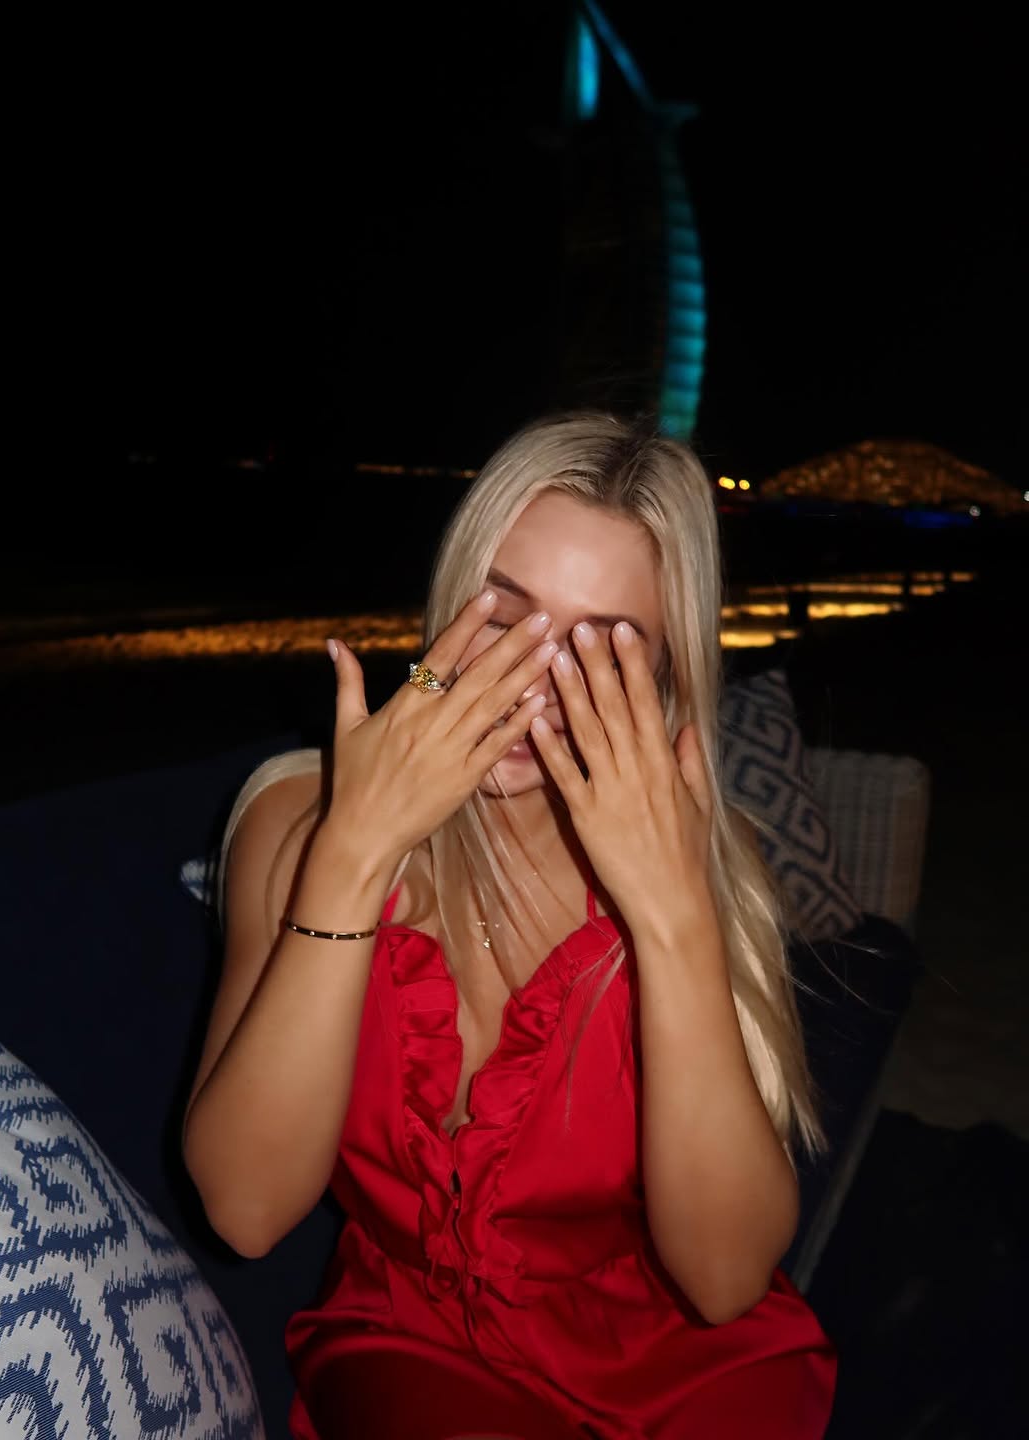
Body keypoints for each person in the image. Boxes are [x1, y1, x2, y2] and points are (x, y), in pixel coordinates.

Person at [182, 410, 838, 1438]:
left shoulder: (688, 856)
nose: (531, 687)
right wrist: (355, 856)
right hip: (411, 1348)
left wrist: (673, 916)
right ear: (449, 601)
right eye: (503, 617)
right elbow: (247, 1210)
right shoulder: (298, 820)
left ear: (665, 683)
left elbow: (723, 1282)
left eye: (602, 650)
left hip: (671, 1358)